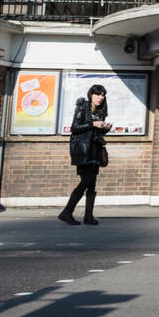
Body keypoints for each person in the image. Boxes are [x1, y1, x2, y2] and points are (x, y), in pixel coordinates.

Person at [60, 84, 110, 225]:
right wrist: (93, 124)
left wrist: (104, 129)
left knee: (92, 184)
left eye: (102, 95)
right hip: (83, 151)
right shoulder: (83, 107)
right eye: (97, 95)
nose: (100, 98)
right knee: (87, 181)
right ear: (91, 95)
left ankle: (88, 216)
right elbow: (74, 128)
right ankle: (67, 212)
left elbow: (95, 133)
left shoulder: (100, 111)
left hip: (95, 151)